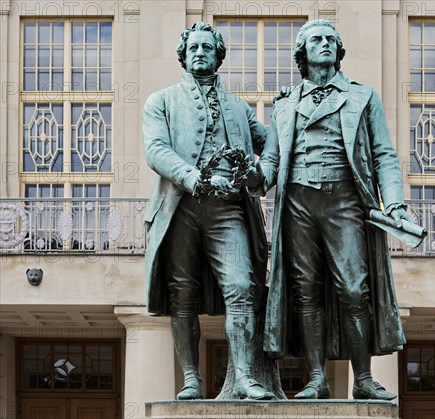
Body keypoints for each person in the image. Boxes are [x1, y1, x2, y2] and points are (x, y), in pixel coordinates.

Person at [256, 19, 408, 400]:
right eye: (315, 40)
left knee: (355, 289)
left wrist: (395, 203)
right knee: (306, 291)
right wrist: (249, 174)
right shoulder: (286, 104)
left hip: (345, 202)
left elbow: (384, 155)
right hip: (298, 204)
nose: (324, 44)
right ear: (302, 53)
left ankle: (364, 379)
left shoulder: (363, 97)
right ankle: (317, 379)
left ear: (338, 50)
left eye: (330, 40)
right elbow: (270, 164)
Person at [143, 21, 274, 400]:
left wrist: (258, 172)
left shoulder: (239, 107)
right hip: (180, 206)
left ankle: (246, 377)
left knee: (241, 287)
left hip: (228, 208)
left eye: (207, 47)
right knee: (182, 293)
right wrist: (193, 177)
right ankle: (190, 377)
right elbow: (156, 150)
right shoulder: (161, 100)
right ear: (183, 56)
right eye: (193, 48)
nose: (200, 52)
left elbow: (271, 149)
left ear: (219, 56)